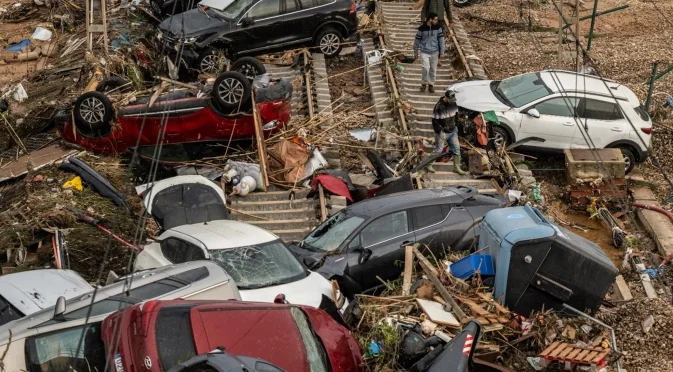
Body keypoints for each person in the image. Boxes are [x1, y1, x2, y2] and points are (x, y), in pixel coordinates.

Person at [430, 89, 466, 175]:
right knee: (438, 150)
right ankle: (428, 164)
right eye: (450, 100)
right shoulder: (439, 107)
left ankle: (456, 167)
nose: (451, 102)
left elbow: (456, 115)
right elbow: (434, 121)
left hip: (452, 130)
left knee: (456, 148)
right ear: (446, 97)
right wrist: (439, 131)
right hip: (443, 132)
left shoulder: (453, 103)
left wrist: (456, 125)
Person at [413, 12, 445, 93]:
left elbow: (441, 40)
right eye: (435, 19)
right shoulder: (421, 28)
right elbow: (417, 40)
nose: (436, 21)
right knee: (425, 68)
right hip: (424, 51)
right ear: (430, 19)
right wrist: (415, 51)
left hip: (435, 52)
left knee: (433, 69)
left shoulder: (438, 28)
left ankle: (431, 85)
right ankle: (424, 83)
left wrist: (442, 51)